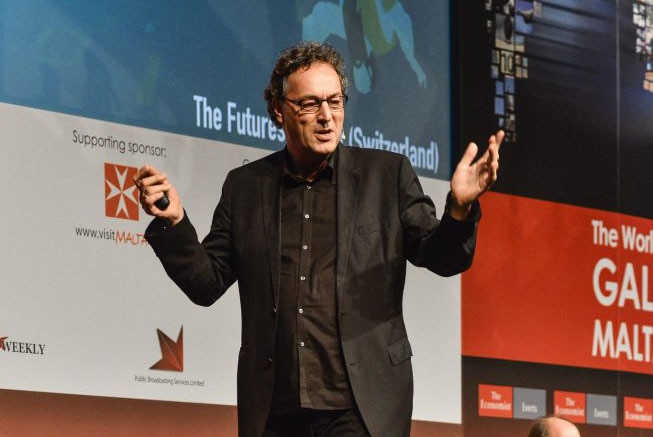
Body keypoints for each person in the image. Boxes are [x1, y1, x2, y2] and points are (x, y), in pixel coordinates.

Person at [134, 41, 502, 437]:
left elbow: (442, 257)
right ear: (279, 110)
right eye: (310, 104)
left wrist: (460, 210)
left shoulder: (387, 176)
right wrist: (174, 222)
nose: (327, 117)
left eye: (335, 101)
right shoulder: (245, 187)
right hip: (277, 410)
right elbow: (206, 284)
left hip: (361, 408)